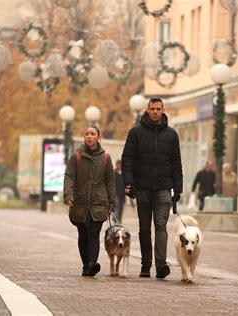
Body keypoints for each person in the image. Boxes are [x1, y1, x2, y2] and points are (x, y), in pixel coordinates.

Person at [122, 97, 183, 279]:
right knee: (144, 227)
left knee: (161, 226)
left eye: (158, 109)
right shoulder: (136, 133)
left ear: (163, 110)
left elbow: (176, 163)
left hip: (164, 188)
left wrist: (178, 188)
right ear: (147, 110)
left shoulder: (172, 135)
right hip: (142, 188)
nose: (155, 112)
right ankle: (146, 264)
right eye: (152, 109)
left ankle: (161, 264)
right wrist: (128, 183)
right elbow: (127, 160)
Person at [64, 126, 116, 277]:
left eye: (92, 134)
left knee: (94, 233)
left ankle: (93, 264)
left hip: (98, 203)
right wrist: (68, 195)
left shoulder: (106, 158)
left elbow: (110, 181)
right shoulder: (76, 156)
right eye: (86, 134)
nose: (89, 136)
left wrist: (112, 203)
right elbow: (69, 176)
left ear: (99, 137)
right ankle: (85, 265)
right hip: (80, 202)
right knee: (83, 234)